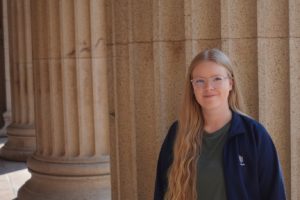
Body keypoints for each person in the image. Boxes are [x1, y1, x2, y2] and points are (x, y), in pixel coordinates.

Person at [154, 48, 286, 200]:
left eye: (217, 79)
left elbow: (274, 193)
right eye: (200, 81)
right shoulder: (177, 133)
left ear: (230, 83)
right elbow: (161, 191)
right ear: (192, 88)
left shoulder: (254, 134)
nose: (208, 87)